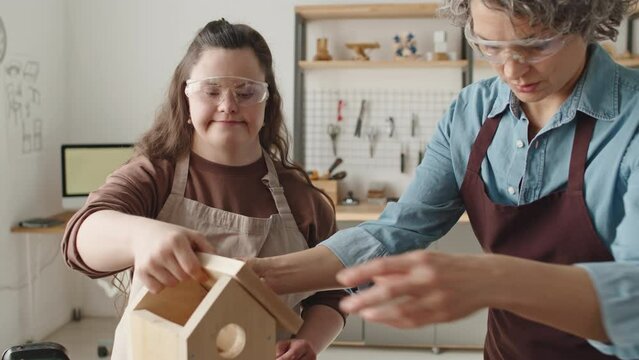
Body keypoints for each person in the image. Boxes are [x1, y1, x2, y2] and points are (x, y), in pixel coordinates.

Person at [246, 0, 639, 359]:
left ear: (585, 21)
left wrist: (493, 279)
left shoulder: (632, 121)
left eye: (535, 45)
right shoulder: (471, 111)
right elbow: (399, 229)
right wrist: (260, 275)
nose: (511, 69)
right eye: (490, 46)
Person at [61, 19, 346, 360]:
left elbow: (333, 294)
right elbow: (79, 239)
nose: (228, 105)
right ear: (187, 97)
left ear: (267, 101)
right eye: (211, 91)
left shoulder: (303, 200)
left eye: (246, 92)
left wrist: (309, 341)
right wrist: (142, 237)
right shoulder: (155, 176)